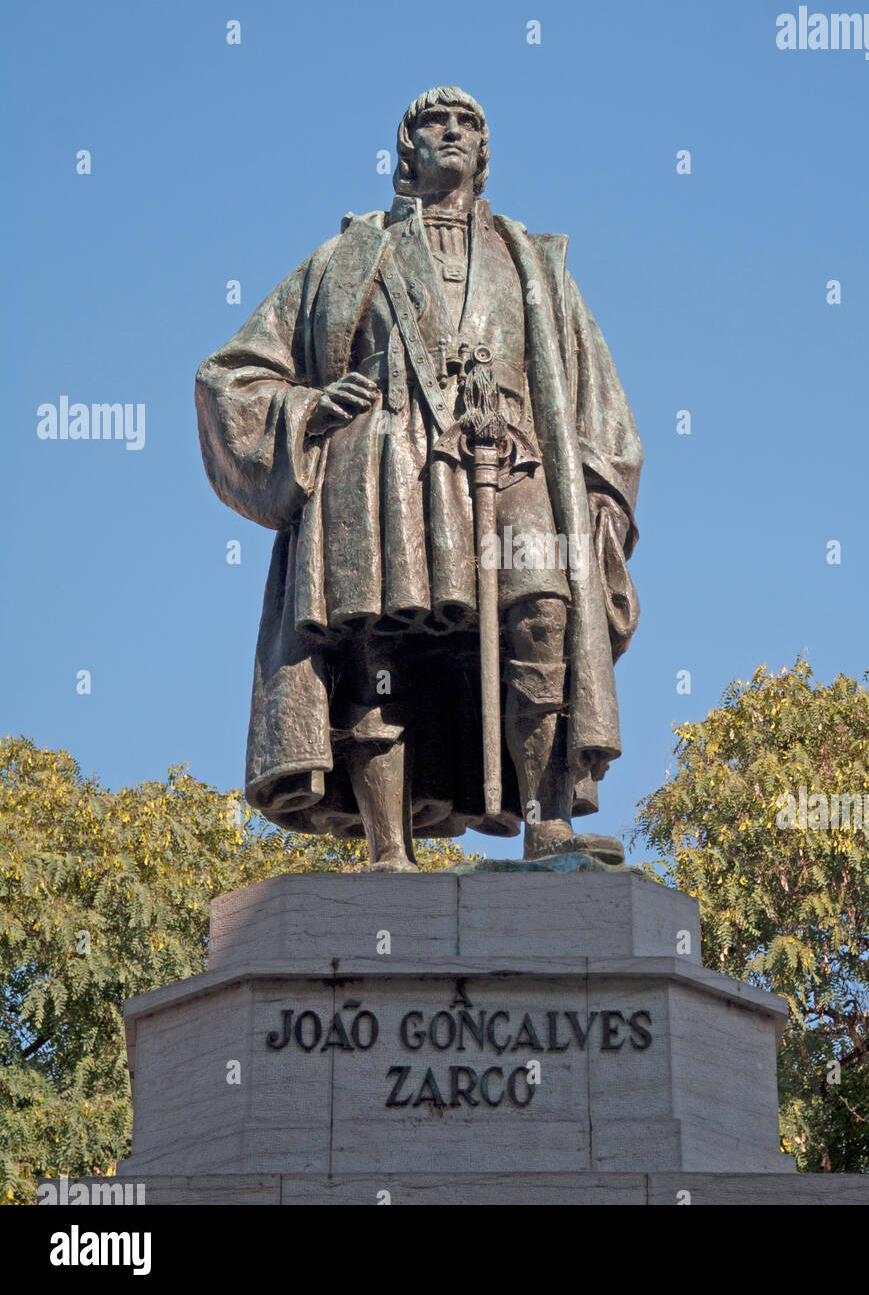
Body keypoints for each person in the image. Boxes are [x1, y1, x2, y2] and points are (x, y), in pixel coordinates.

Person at [195, 87, 642, 869]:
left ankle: (548, 828)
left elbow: (594, 396)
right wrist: (306, 406)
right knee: (378, 639)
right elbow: (227, 376)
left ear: (484, 147)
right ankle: (387, 853)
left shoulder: (530, 259)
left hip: (516, 461)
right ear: (407, 147)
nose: (452, 131)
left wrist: (599, 494)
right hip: (382, 462)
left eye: (468, 123)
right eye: (435, 122)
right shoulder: (344, 259)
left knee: (541, 612)